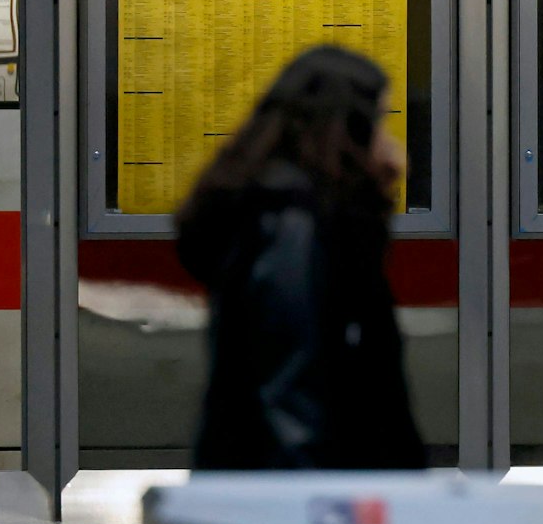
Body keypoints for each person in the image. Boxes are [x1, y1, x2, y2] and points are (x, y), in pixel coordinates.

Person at [176, 45, 427, 470]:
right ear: (343, 128)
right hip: (313, 500)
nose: (390, 144)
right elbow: (291, 394)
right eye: (379, 123)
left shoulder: (297, 215)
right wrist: (316, 516)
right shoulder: (295, 228)